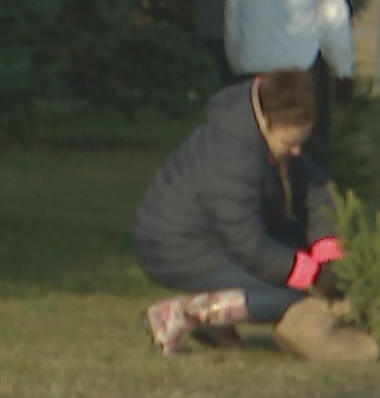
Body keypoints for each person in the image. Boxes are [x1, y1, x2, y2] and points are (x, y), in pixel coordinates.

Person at [133, 69, 344, 355]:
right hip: (174, 248)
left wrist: (326, 248)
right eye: (289, 144)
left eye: (301, 143)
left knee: (293, 269)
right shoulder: (230, 157)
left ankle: (216, 321)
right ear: (266, 123)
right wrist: (309, 274)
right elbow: (245, 241)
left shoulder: (258, 131)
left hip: (219, 235)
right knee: (287, 293)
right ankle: (184, 314)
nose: (297, 152)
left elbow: (316, 189)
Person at [224, 0, 354, 173]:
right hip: (301, 72)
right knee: (309, 156)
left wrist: (236, 64)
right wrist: (343, 71)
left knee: (254, 151)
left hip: (253, 72)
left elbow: (233, 20)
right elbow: (334, 22)